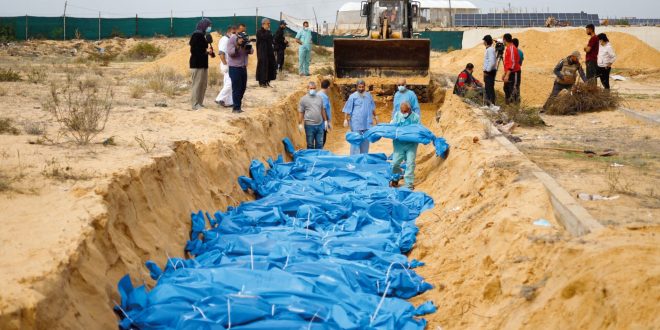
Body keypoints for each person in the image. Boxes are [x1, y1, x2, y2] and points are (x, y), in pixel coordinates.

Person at [390, 102, 420, 190]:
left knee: (410, 163)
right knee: (395, 163)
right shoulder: (397, 115)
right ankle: (396, 177)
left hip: (411, 144)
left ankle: (409, 184)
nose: (403, 113)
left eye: (405, 111)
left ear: (410, 110)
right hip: (399, 144)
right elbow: (392, 126)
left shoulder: (415, 117)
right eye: (402, 111)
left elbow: (418, 129)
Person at [342, 80, 377, 155]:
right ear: (356, 87)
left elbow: (372, 107)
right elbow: (348, 108)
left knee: (365, 141)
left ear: (365, 87)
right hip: (356, 123)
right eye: (359, 87)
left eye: (362, 87)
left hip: (367, 123)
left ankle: (364, 156)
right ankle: (354, 158)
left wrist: (376, 116)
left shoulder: (369, 96)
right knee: (355, 140)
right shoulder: (353, 97)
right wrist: (345, 119)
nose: (361, 88)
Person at [227, 23, 253, 114]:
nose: (243, 32)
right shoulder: (232, 39)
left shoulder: (245, 38)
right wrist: (238, 45)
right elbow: (230, 53)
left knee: (242, 88)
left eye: (244, 30)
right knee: (236, 88)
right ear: (237, 30)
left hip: (243, 67)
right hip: (234, 68)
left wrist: (248, 46)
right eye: (241, 30)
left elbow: (251, 51)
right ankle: (236, 108)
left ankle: (238, 106)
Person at [189, 18, 213, 111]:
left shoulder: (203, 35)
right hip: (197, 64)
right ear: (204, 25)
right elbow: (194, 50)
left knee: (203, 84)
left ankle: (200, 103)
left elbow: (203, 50)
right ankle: (195, 104)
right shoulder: (196, 35)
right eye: (208, 25)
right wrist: (205, 51)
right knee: (197, 84)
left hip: (203, 64)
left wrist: (209, 52)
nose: (209, 27)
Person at [298, 81, 328, 149]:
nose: (312, 90)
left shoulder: (319, 98)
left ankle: (318, 158)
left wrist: (325, 121)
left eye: (314, 88)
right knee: (310, 144)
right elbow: (301, 112)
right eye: (311, 88)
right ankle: (311, 158)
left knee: (320, 144)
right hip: (309, 126)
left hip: (320, 125)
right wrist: (300, 123)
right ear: (307, 88)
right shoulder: (303, 99)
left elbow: (322, 110)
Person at [214, 25, 234, 108]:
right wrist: (225, 64)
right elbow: (221, 53)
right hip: (226, 64)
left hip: (229, 64)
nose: (234, 35)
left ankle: (228, 101)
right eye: (233, 33)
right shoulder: (224, 40)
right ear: (228, 32)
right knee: (230, 83)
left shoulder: (229, 40)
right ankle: (219, 98)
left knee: (228, 83)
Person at [256, 18, 277, 87]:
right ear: (263, 24)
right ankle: (262, 82)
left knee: (270, 66)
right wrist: (267, 32)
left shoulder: (269, 32)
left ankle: (267, 81)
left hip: (269, 52)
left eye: (269, 24)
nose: (269, 25)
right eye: (268, 24)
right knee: (262, 67)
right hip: (262, 52)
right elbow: (263, 37)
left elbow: (271, 40)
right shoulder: (259, 32)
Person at [502, 33, 521, 104]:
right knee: (506, 88)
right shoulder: (508, 48)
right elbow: (507, 63)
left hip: (514, 73)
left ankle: (515, 108)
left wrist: (507, 75)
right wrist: (505, 73)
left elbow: (512, 63)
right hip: (509, 72)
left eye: (503, 40)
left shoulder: (512, 48)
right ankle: (508, 105)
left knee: (514, 90)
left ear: (505, 40)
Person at [482, 35, 497, 106]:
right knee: (488, 88)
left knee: (489, 89)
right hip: (489, 72)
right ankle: (489, 104)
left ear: (486, 41)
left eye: (484, 41)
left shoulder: (490, 50)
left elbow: (492, 62)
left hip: (489, 72)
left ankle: (490, 104)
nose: (483, 42)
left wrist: (487, 71)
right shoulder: (489, 49)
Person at [318, 79, 333, 145]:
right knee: (321, 141)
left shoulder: (317, 94)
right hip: (322, 122)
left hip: (319, 121)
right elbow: (323, 109)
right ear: (328, 87)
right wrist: (327, 121)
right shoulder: (323, 96)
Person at [512, 38, 523, 103]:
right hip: (518, 70)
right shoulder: (521, 52)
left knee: (513, 87)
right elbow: (520, 63)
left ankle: (514, 102)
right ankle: (517, 101)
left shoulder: (513, 51)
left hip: (514, 71)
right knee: (517, 86)